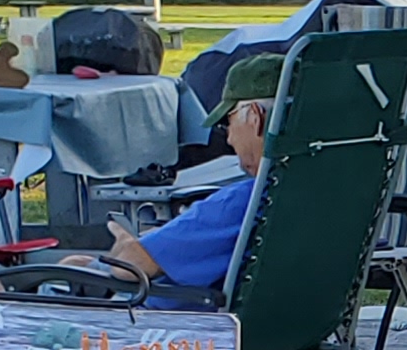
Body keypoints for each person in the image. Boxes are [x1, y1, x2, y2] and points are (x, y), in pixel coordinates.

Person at [105, 50, 279, 294]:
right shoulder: (326, 194)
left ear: (254, 118)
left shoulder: (242, 202)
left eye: (228, 123)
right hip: (290, 314)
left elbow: (128, 267)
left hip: (173, 315)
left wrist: (125, 240)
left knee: (65, 273)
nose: (229, 139)